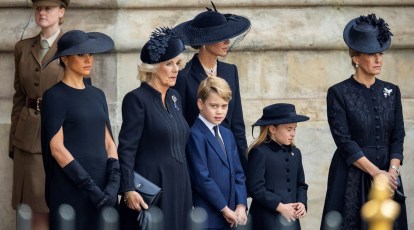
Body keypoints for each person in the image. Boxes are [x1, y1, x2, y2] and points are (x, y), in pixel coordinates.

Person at [321, 14, 407, 229]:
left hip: (388, 177)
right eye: (371, 54)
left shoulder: (392, 91)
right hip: (352, 175)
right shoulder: (338, 92)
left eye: (380, 53)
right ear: (356, 58)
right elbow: (344, 140)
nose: (379, 59)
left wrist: (391, 173)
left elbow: (398, 136)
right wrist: (375, 173)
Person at [40, 30, 119, 229]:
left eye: (90, 54)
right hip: (71, 187)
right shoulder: (54, 96)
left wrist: (112, 184)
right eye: (81, 54)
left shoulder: (98, 95)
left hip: (102, 188)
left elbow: (109, 142)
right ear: (65, 58)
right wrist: (89, 187)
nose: (88, 60)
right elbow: (57, 149)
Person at [118, 27, 192, 230]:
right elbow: (126, 148)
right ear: (152, 68)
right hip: (152, 187)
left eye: (178, 63)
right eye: (169, 64)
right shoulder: (136, 99)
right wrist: (128, 189)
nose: (176, 69)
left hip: (180, 185)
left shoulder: (175, 97)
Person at [9, 0, 70, 229]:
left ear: (61, 11)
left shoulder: (71, 46)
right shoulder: (22, 48)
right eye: (39, 8)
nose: (42, 12)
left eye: (48, 8)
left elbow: (79, 94)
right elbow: (18, 96)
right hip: (27, 137)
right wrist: (13, 139)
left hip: (60, 133)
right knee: (32, 211)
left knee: (58, 208)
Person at [173, 3, 251, 172]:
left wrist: (244, 169)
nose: (227, 41)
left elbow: (237, 123)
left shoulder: (230, 71)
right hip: (200, 161)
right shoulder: (183, 77)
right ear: (204, 42)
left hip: (229, 157)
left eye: (228, 36)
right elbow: (182, 127)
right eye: (220, 37)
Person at [186, 76, 247, 229]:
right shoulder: (194, 134)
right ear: (200, 104)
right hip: (208, 215)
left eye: (224, 106)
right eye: (214, 106)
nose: (219, 111)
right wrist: (224, 209)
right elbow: (202, 178)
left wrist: (241, 205)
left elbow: (238, 173)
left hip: (233, 214)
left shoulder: (227, 134)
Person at [246, 103, 309, 230]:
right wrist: (280, 207)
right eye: (289, 129)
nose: (293, 134)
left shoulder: (295, 153)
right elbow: (255, 188)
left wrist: (302, 203)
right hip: (266, 219)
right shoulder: (259, 152)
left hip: (291, 218)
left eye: (294, 129)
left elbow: (301, 184)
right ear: (272, 129)